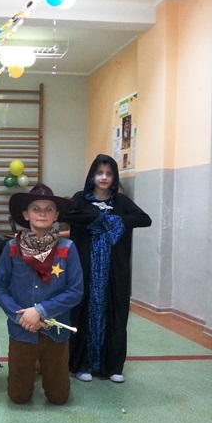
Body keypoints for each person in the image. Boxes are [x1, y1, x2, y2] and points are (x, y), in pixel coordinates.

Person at [0, 183, 83, 405]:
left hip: (56, 330)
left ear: (56, 215)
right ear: (26, 214)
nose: (42, 213)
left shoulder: (68, 248)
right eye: (36, 209)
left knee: (58, 398)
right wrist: (20, 316)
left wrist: (41, 311)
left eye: (48, 209)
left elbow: (75, 290)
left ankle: (44, 365)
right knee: (19, 397)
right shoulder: (12, 247)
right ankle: (34, 364)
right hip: (22, 329)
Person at [64, 154, 151, 383]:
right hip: (86, 268)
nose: (104, 177)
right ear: (92, 175)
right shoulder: (81, 198)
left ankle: (113, 366)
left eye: (109, 173)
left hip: (114, 271)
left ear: (114, 177)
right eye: (99, 173)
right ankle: (81, 364)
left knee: (116, 313)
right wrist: (97, 218)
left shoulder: (121, 202)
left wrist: (115, 220)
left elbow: (145, 219)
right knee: (82, 312)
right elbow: (68, 215)